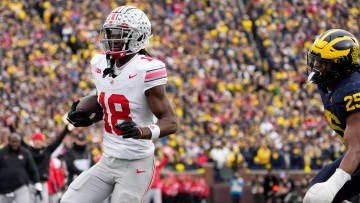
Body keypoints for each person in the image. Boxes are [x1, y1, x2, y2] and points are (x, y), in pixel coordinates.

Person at [61, 5, 177, 203]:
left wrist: (142, 132)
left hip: (136, 165)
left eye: (119, 34)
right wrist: (86, 114)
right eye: (110, 33)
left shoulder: (146, 68)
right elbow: (106, 98)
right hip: (108, 160)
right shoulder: (101, 63)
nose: (112, 39)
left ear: (138, 37)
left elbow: (171, 122)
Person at [303, 29, 360, 203]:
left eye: (322, 64)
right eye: (314, 61)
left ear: (341, 65)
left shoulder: (352, 90)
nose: (315, 67)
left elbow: (357, 147)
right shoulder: (328, 83)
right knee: (315, 195)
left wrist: (335, 184)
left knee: (324, 196)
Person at [23, 125, 71, 203]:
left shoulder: (47, 151)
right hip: (31, 183)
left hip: (43, 183)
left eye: (40, 140)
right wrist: (11, 126)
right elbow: (20, 142)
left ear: (43, 141)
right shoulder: (28, 150)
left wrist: (66, 129)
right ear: (33, 141)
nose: (38, 142)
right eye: (36, 140)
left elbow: (58, 140)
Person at [0, 133, 42, 203]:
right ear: (9, 141)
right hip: (4, 189)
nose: (15, 144)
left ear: (20, 142)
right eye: (13, 142)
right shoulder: (2, 153)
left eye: (17, 142)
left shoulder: (25, 153)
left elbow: (32, 169)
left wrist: (37, 182)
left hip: (20, 187)